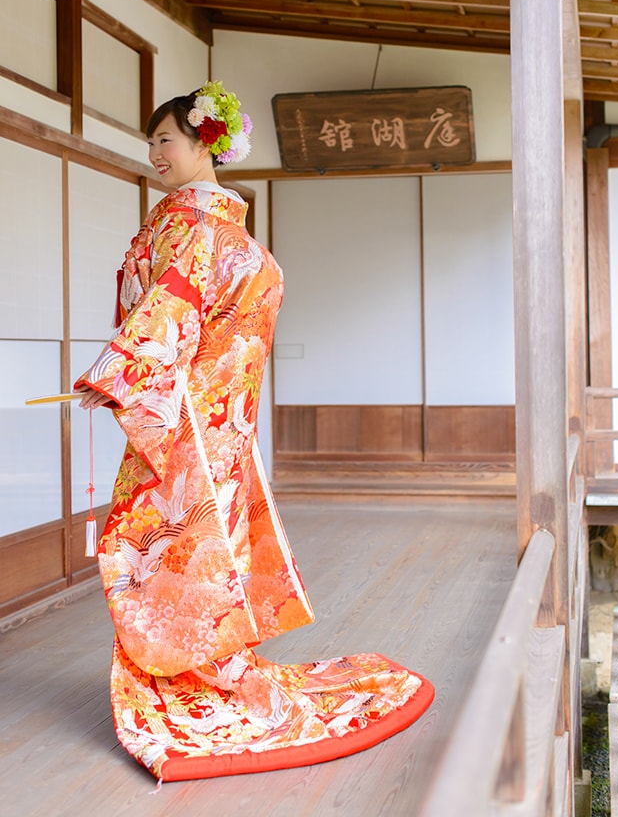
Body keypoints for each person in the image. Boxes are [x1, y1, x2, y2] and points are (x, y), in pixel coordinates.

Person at [74, 81, 434, 782]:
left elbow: (165, 315)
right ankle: (195, 669)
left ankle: (182, 682)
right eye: (151, 141)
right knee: (194, 551)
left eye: (165, 139)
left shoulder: (193, 228)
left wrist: (121, 377)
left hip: (183, 429)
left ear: (202, 142)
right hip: (218, 427)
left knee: (156, 547)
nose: (154, 153)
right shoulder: (227, 231)